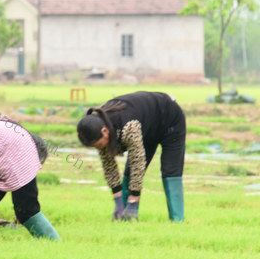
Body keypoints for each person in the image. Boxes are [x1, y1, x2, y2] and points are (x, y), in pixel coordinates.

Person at [77, 91, 185, 222]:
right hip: (148, 126)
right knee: (129, 173)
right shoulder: (98, 125)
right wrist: (117, 199)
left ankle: (177, 220)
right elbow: (108, 165)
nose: (99, 148)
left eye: (99, 144)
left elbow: (137, 162)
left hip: (169, 118)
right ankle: (124, 217)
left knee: (171, 171)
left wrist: (134, 198)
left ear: (104, 131)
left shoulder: (128, 127)